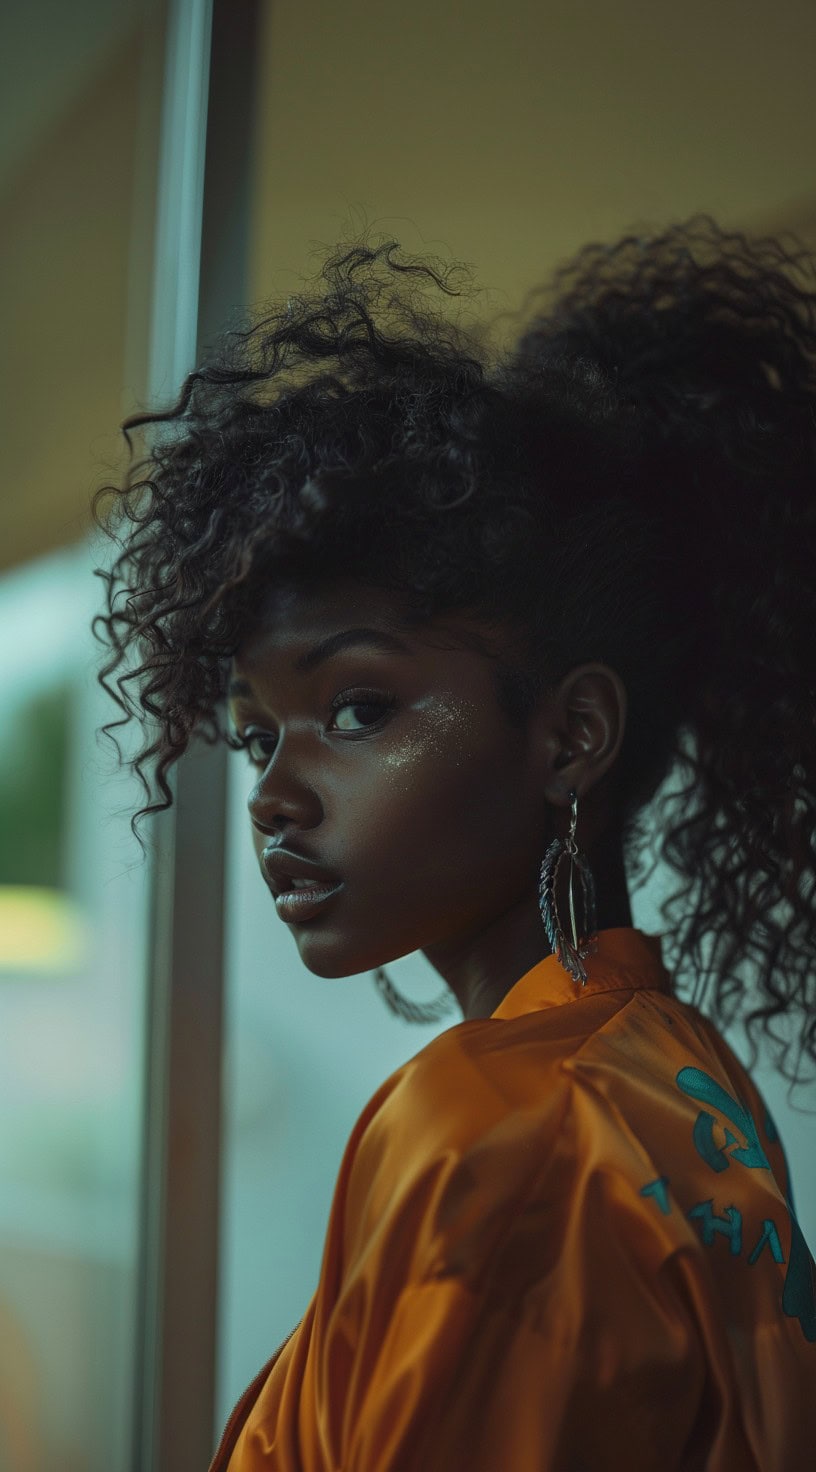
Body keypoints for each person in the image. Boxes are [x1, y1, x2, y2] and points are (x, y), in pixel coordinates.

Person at [91, 215, 816, 1470]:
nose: (274, 794)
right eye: (258, 731)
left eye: (358, 707)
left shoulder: (505, 1132)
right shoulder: (678, 1076)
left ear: (570, 733)